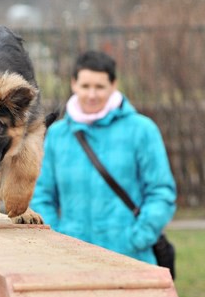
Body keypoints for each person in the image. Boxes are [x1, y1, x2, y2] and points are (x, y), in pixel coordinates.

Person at [30, 50, 176, 264]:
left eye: (99, 87)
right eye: (85, 86)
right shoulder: (57, 135)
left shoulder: (142, 130)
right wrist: (57, 239)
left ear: (114, 85)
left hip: (131, 260)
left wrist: (136, 239)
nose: (92, 95)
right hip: (72, 262)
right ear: (74, 84)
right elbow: (41, 194)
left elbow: (161, 191)